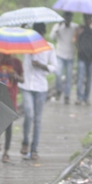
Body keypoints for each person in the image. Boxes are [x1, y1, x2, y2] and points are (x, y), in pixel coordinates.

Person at [20, 22, 58, 161]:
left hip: (41, 87)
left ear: (44, 33)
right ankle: (25, 140)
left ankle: (34, 148)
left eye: (40, 33)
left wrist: (42, 66)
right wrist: (23, 28)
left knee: (37, 119)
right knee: (29, 114)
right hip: (26, 85)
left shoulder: (49, 47)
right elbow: (18, 38)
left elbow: (54, 67)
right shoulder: (26, 45)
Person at [0, 51, 23, 161]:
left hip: (11, 97)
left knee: (8, 125)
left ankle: (6, 151)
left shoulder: (16, 62)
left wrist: (16, 75)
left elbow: (23, 79)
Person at [50, 11, 76, 103]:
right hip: (60, 54)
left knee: (69, 77)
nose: (68, 20)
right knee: (58, 74)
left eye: (69, 18)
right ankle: (58, 90)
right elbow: (52, 37)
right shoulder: (58, 26)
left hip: (70, 55)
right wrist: (58, 27)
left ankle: (67, 95)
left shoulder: (74, 27)